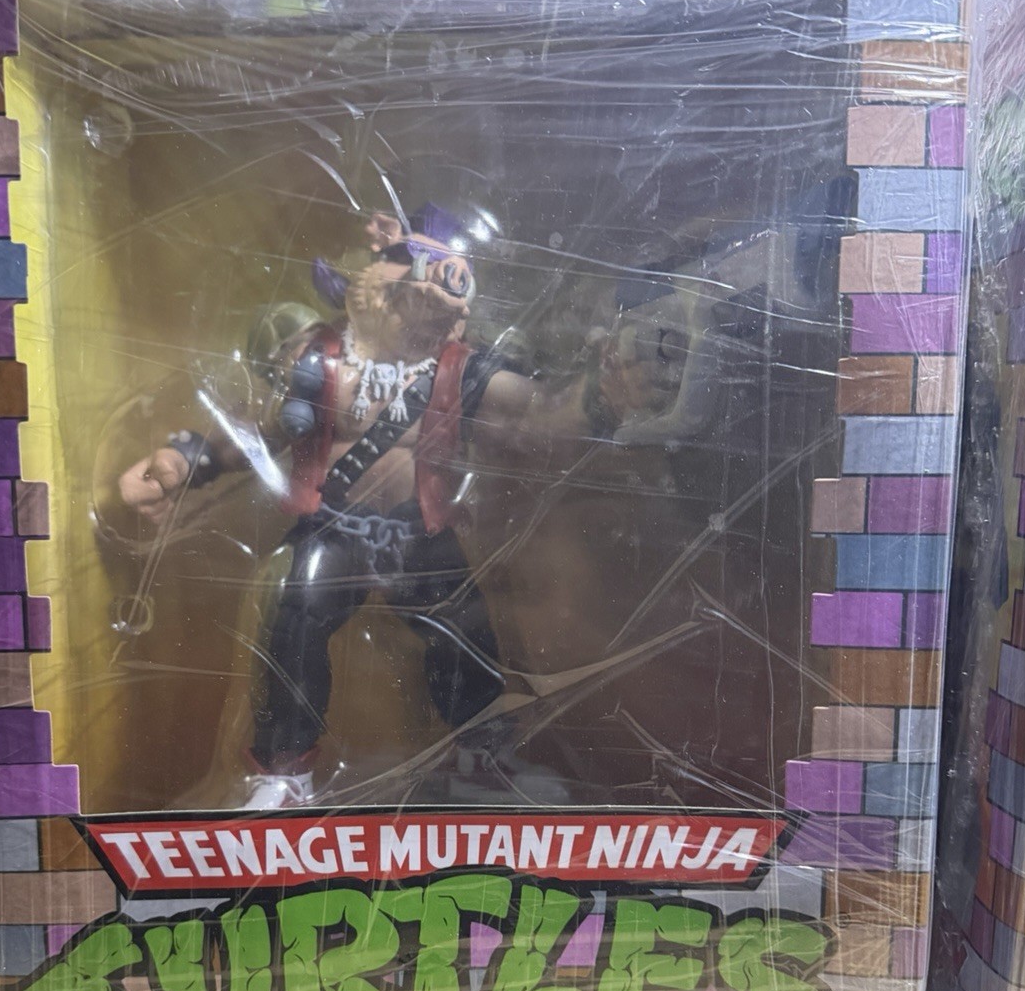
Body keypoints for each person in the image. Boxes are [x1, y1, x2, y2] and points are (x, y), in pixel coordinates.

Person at [118, 203, 687, 808]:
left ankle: (483, 758)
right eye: (411, 265)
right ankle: (282, 772)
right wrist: (184, 462)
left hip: (417, 528)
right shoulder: (318, 359)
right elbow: (257, 434)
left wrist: (607, 395)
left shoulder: (460, 369)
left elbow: (537, 418)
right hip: (331, 525)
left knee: (465, 633)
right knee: (293, 624)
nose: (436, 287)